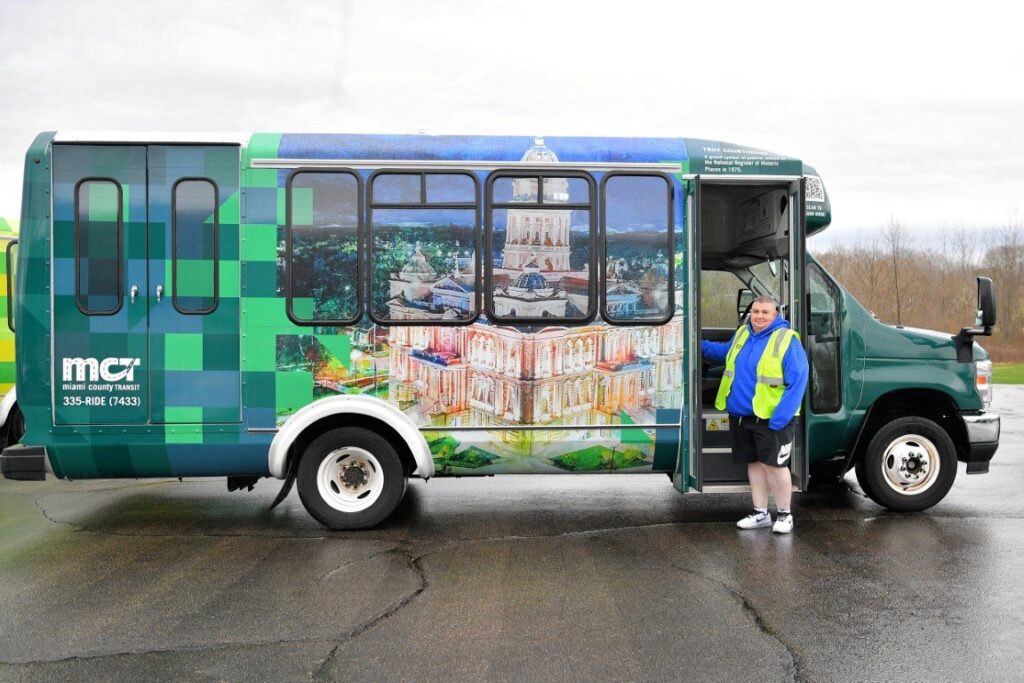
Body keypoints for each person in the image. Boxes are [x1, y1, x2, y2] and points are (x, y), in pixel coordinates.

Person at [701, 296, 809, 534]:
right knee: (755, 465)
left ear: (776, 315)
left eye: (765, 312)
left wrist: (780, 418)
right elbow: (724, 353)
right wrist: (696, 342)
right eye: (755, 311)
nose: (759, 316)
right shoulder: (743, 334)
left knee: (775, 467)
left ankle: (785, 515)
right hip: (743, 416)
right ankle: (760, 513)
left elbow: (798, 380)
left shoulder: (787, 340)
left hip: (772, 419)